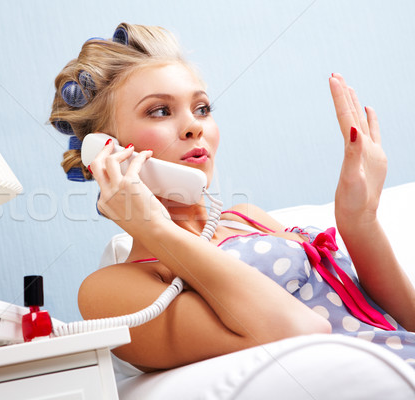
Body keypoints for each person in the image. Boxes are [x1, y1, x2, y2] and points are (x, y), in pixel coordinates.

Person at [49, 22, 415, 372]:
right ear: (105, 150)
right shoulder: (108, 291)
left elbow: (407, 323)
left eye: (202, 109)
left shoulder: (245, 217)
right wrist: (156, 231)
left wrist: (359, 222)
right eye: (159, 111)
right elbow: (302, 332)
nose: (194, 126)